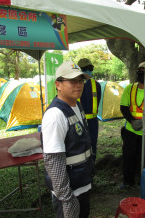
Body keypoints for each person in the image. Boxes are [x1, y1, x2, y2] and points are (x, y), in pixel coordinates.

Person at [42, 61, 94, 218]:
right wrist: (66, 198)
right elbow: (53, 160)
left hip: (82, 184)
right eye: (72, 81)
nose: (78, 85)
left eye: (80, 80)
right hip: (69, 192)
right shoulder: (55, 115)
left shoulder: (77, 106)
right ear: (58, 84)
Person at [77, 58, 101, 161]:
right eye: (85, 69)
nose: (88, 71)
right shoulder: (75, 85)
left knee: (92, 144)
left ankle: (92, 167)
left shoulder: (96, 85)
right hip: (78, 121)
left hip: (92, 123)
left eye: (90, 68)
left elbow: (98, 100)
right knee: (79, 145)